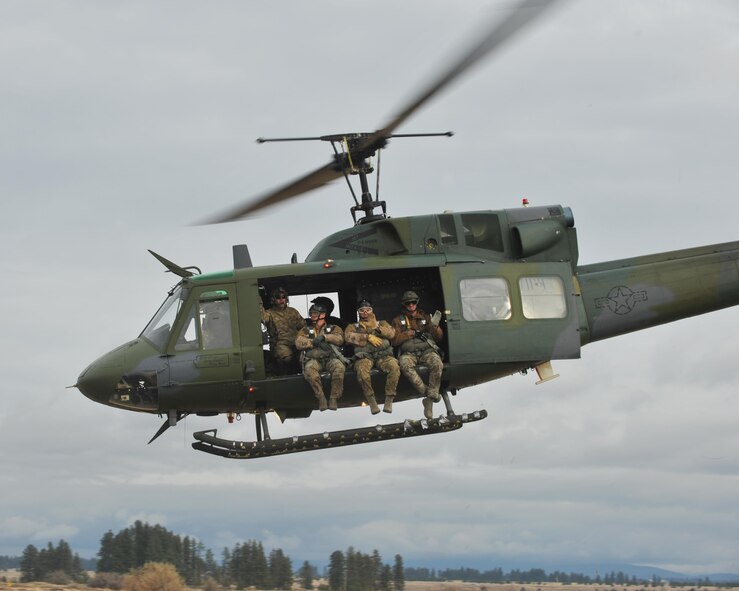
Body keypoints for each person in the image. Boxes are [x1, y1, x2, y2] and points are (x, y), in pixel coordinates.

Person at [391, 290, 444, 420]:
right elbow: (394, 340)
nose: (411, 305)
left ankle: (429, 401)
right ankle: (430, 394)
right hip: (409, 353)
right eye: (408, 303)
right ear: (404, 304)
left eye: (413, 302)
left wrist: (435, 327)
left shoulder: (426, 318)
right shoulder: (398, 320)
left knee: (437, 363)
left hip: (426, 351)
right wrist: (411, 334)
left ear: (417, 303)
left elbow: (439, 338)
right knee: (404, 365)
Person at [344, 299, 400, 414]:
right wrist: (367, 337)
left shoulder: (382, 323)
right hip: (365, 356)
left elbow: (392, 333)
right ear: (358, 312)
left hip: (383, 355)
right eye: (362, 310)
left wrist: (377, 328)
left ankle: (389, 398)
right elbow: (347, 337)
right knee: (362, 371)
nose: (365, 312)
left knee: (394, 367)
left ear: (372, 311)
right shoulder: (353, 326)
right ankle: (371, 400)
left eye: (368, 310)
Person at [295, 301, 346, 411]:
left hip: (330, 358)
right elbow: (298, 342)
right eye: (311, 313)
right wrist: (313, 342)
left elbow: (340, 339)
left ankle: (334, 397)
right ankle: (321, 397)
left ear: (322, 315)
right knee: (310, 371)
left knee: (339, 368)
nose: (312, 316)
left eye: (315, 313)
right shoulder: (306, 330)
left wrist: (325, 338)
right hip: (313, 359)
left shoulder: (333, 328)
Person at [260, 287, 306, 374]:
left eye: (283, 297)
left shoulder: (293, 311)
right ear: (273, 299)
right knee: (286, 358)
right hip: (280, 344)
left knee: (305, 358)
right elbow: (262, 318)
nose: (281, 300)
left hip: (296, 343)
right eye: (278, 297)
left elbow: (303, 327)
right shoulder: (269, 313)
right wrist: (259, 301)